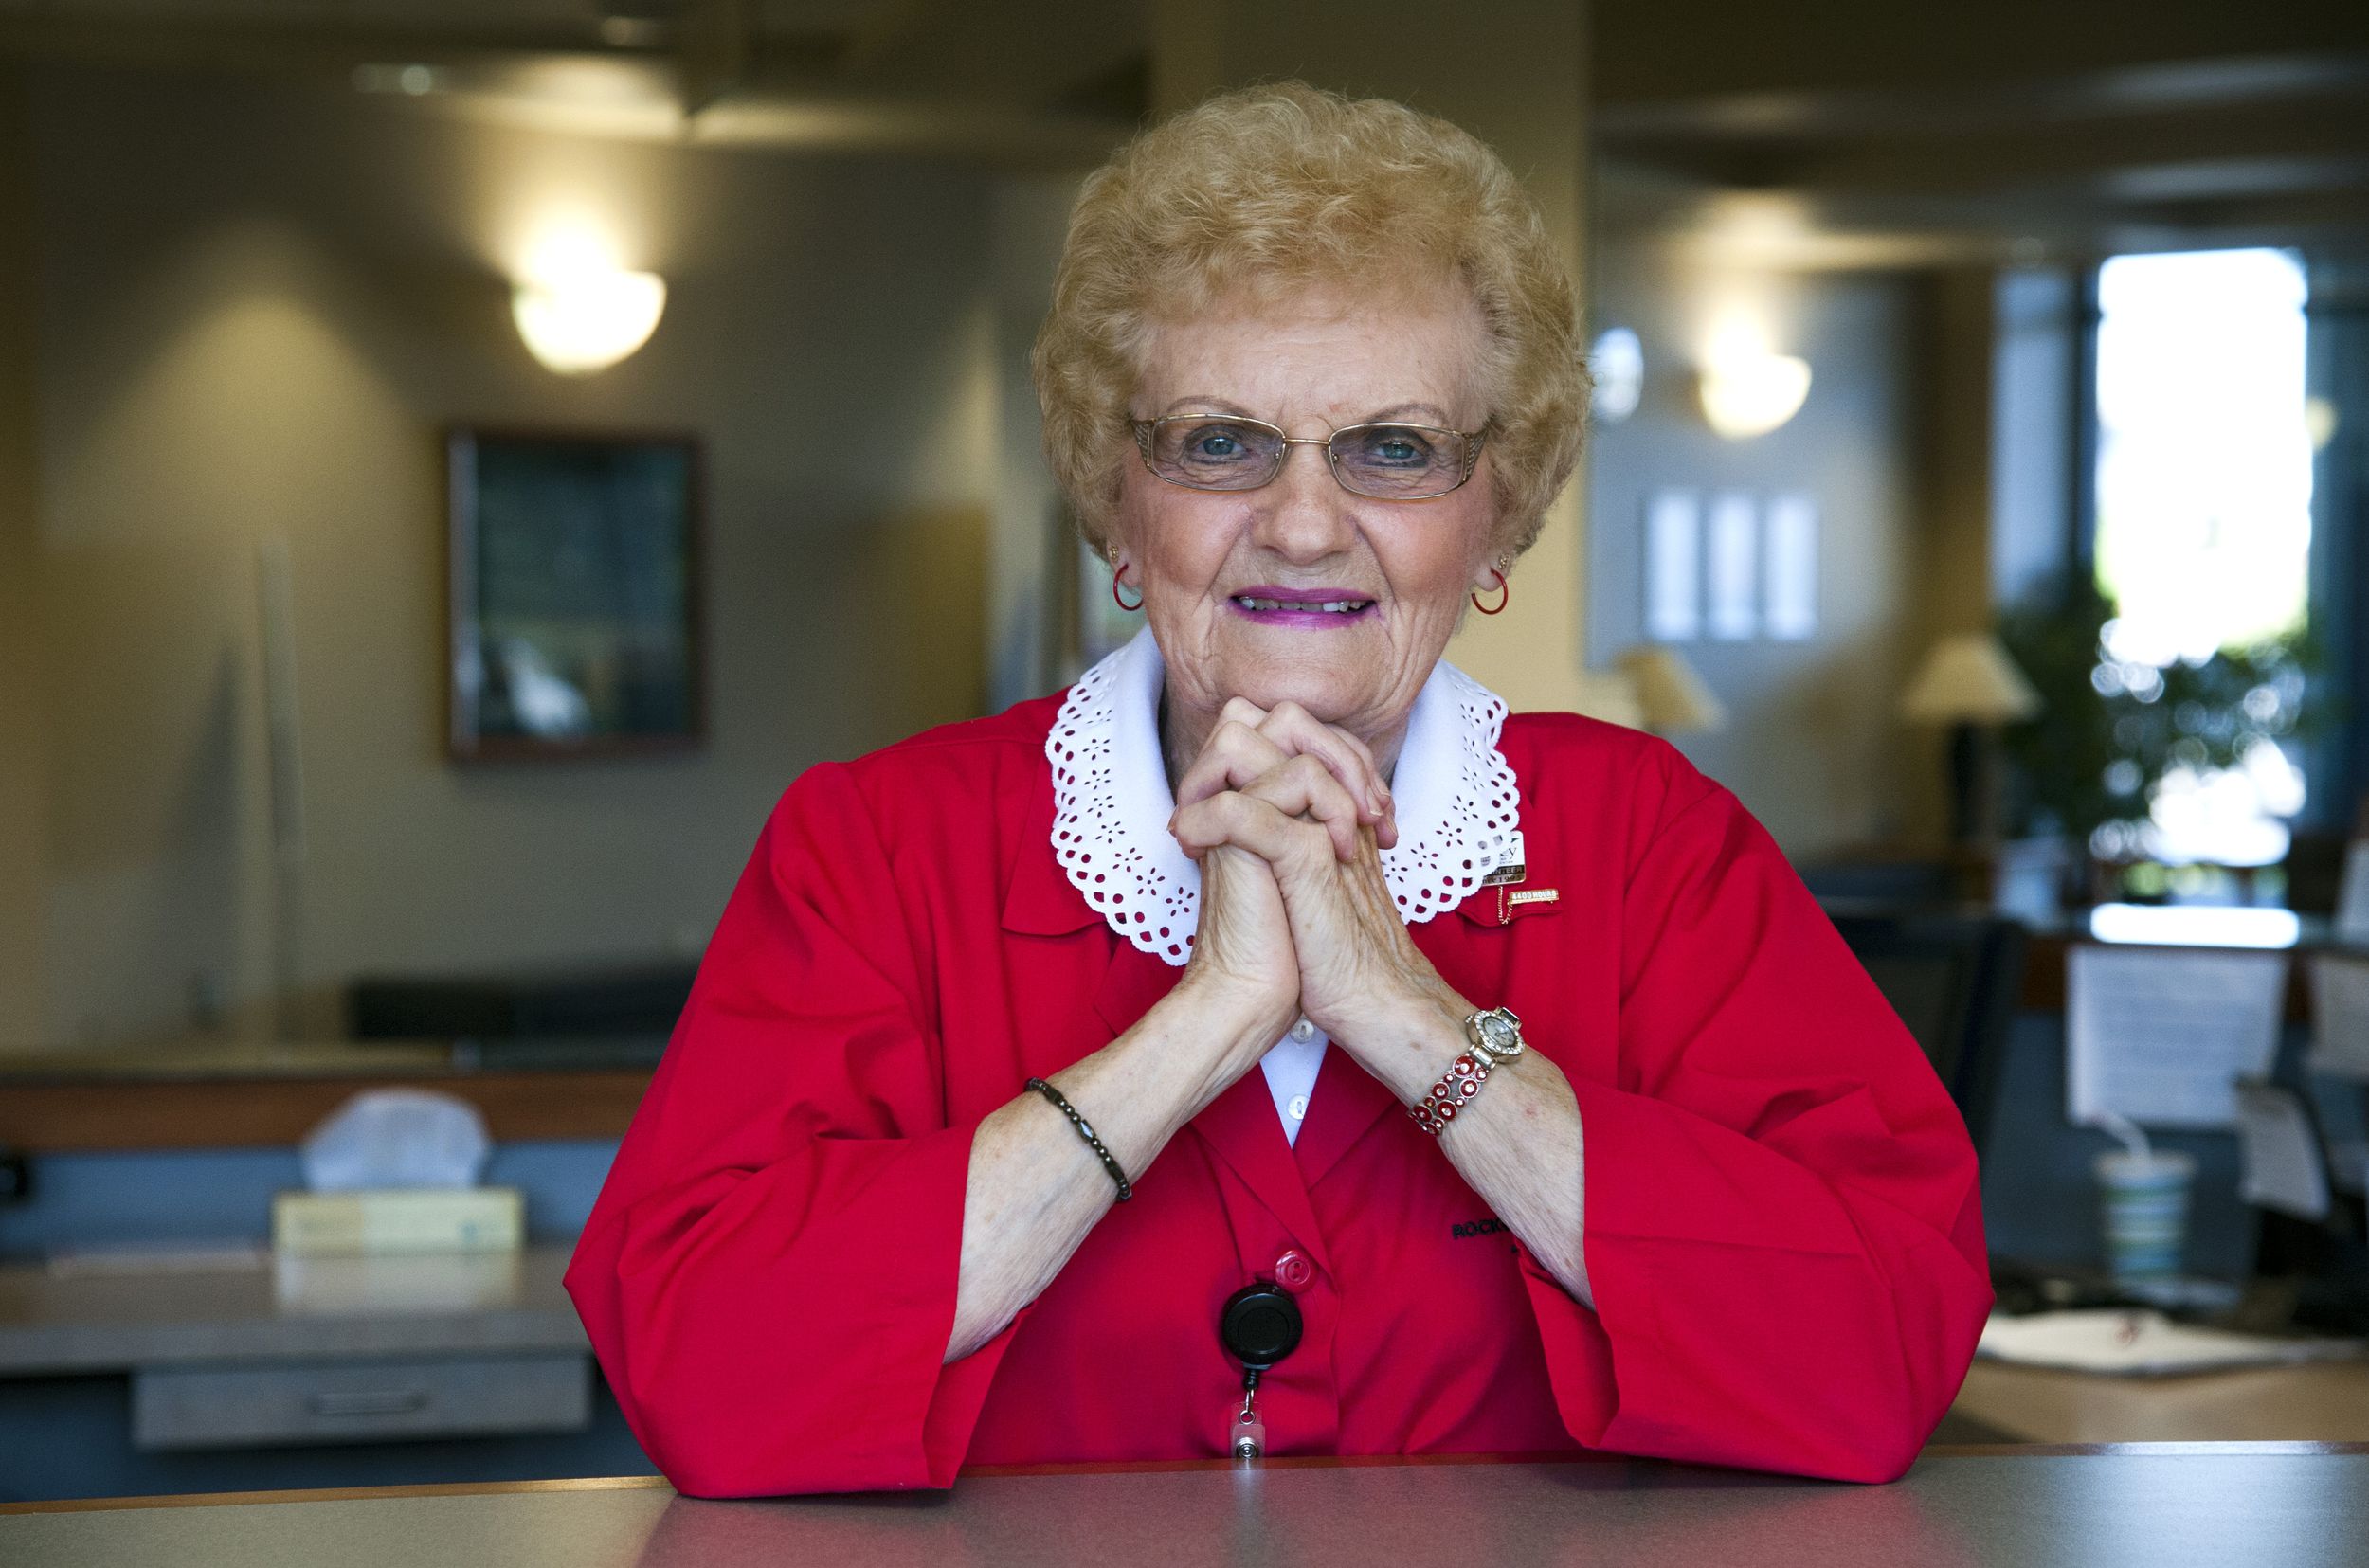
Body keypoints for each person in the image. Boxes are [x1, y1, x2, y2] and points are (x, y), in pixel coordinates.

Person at [565, 81, 1991, 1497]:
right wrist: (1203, 1026)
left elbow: (1882, 1355)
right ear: (1116, 502)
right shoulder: (880, 849)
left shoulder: (1647, 845)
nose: (1304, 523)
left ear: (1496, 520)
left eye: (1395, 449)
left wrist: (1404, 1013)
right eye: (1220, 442)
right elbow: (702, 1374)